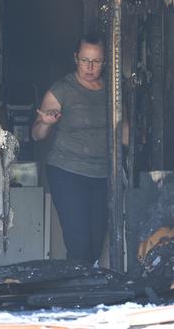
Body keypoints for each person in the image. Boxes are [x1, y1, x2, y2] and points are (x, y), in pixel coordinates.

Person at [32, 34, 108, 263]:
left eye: (96, 61)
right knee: (79, 243)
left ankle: (86, 292)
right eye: (85, 60)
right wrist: (45, 123)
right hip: (67, 172)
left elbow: (122, 131)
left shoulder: (113, 90)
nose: (90, 67)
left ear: (104, 61)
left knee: (96, 243)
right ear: (76, 58)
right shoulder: (62, 90)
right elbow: (36, 134)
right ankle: (77, 296)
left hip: (103, 174)